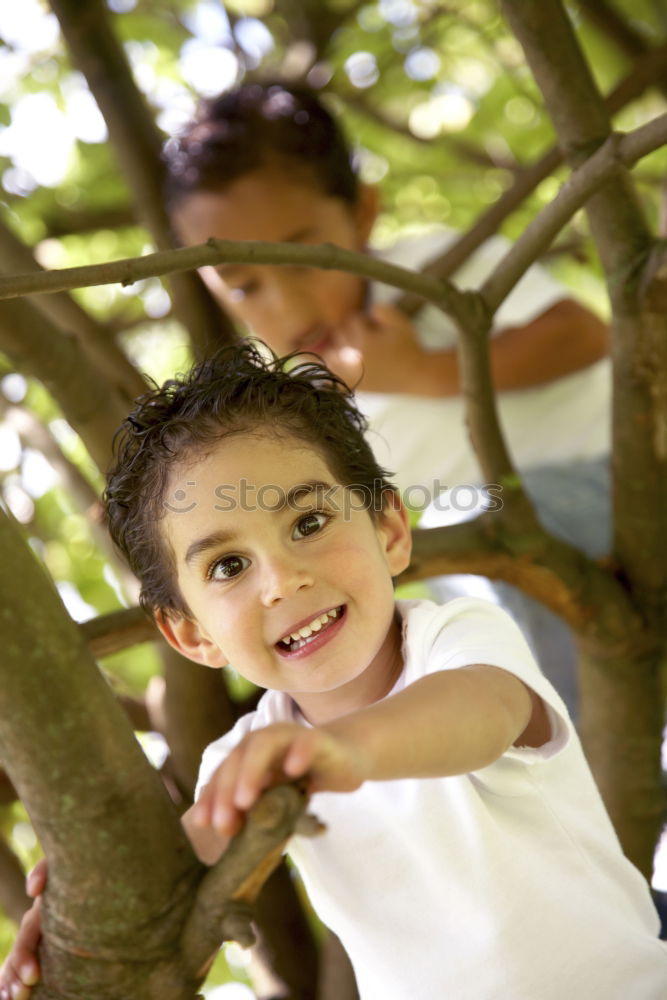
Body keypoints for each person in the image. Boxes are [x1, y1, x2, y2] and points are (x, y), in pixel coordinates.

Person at [1, 344, 665, 1000]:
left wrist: (345, 747)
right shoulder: (240, 763)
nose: (283, 580)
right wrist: (71, 926)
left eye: (309, 521)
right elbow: (163, 895)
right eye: (228, 566)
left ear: (390, 530)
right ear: (192, 633)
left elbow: (482, 710)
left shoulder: (454, 639)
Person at [161, 79, 611, 716]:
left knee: (471, 536)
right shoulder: (283, 410)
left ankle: (573, 742)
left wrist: (421, 370)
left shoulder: (430, 271)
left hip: (606, 486)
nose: (288, 305)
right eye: (246, 285)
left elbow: (582, 336)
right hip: (492, 557)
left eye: (303, 260)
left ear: (363, 215)